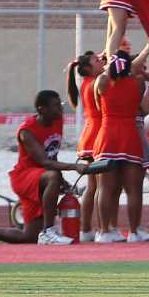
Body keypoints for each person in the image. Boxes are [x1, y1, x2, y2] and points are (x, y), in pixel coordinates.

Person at [0, 91, 87, 244]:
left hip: (42, 177)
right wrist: (74, 167)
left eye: (60, 104)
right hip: (25, 177)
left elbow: (52, 155)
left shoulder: (58, 120)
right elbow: (45, 162)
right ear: (42, 109)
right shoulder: (27, 131)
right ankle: (48, 231)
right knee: (52, 176)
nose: (60, 109)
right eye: (55, 106)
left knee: (29, 236)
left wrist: (63, 182)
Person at [93, 39, 149, 243]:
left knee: (105, 188)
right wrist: (148, 50)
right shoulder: (137, 82)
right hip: (130, 136)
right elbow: (145, 109)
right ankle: (133, 231)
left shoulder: (102, 82)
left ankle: (104, 231)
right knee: (133, 189)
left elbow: (98, 106)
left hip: (107, 136)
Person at [66, 51, 104, 241]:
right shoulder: (96, 83)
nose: (101, 62)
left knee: (93, 186)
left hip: (89, 135)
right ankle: (101, 228)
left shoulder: (87, 82)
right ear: (88, 68)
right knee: (100, 186)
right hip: (97, 136)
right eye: (97, 61)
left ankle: (87, 228)